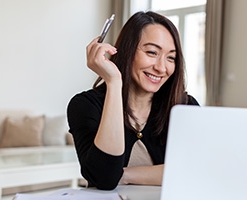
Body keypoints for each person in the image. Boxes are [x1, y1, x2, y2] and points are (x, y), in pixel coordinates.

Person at [67, 11, 199, 190]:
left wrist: (125, 174)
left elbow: (196, 170)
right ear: (128, 51)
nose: (161, 68)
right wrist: (113, 82)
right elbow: (105, 178)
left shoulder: (184, 106)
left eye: (171, 57)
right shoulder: (85, 105)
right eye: (152, 52)